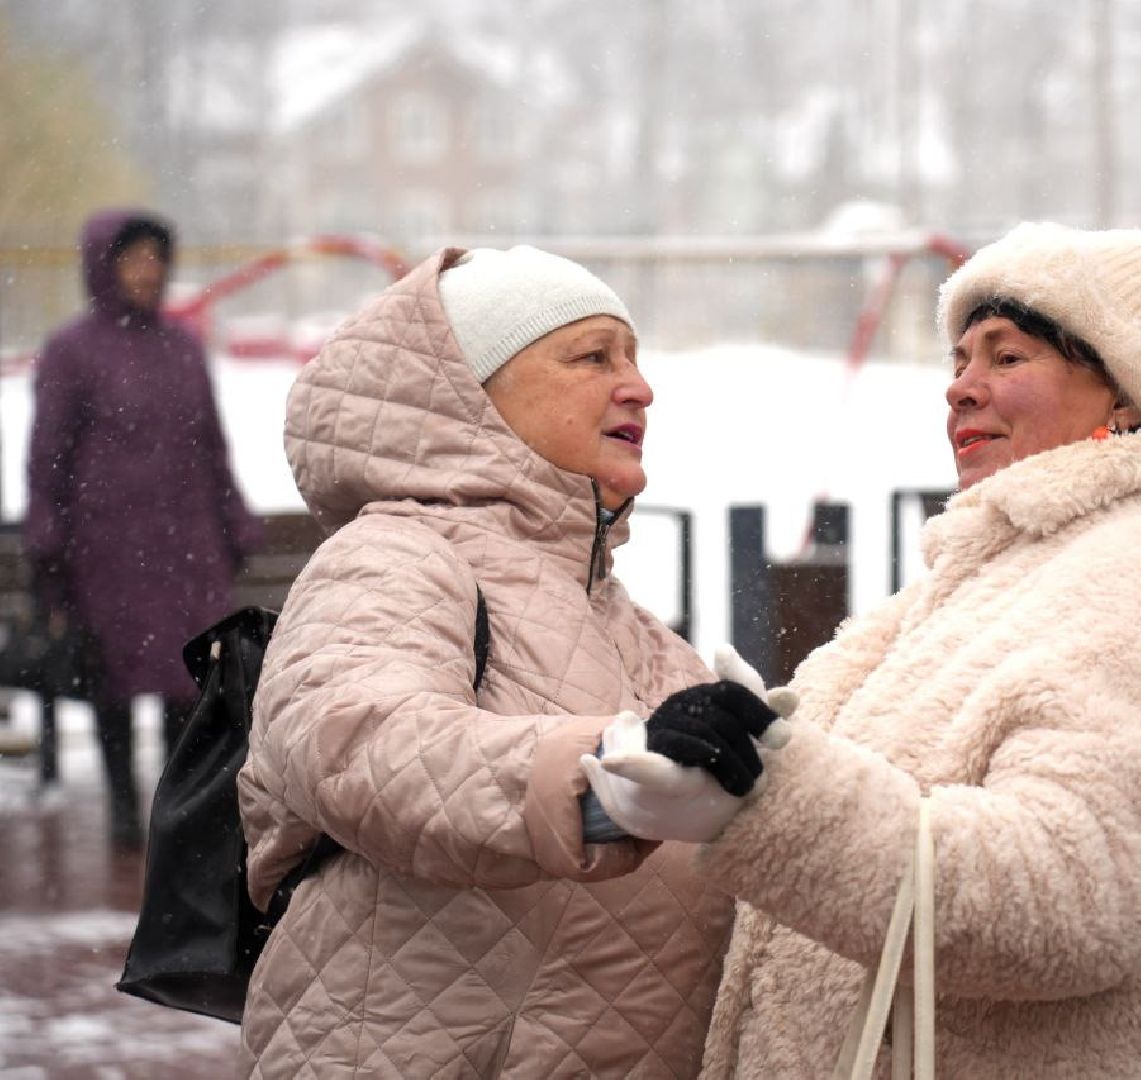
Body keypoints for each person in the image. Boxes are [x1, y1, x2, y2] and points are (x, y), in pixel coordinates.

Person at [588, 224, 1141, 1077]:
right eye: (960, 360)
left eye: (1006, 358)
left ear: (1128, 394)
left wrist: (765, 800)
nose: (962, 388)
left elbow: (1068, 898)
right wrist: (714, 776)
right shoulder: (1000, 573)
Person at [237, 246, 776, 1078]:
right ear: (469, 398)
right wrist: (600, 785)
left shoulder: (627, 623)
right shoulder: (396, 556)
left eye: (633, 358)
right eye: (592, 357)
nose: (638, 387)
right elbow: (353, 744)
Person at [25, 208, 262, 848]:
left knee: (186, 685)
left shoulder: (182, 348)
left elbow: (211, 446)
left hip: (186, 547)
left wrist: (234, 522)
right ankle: (126, 816)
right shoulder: (72, 352)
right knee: (114, 684)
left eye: (155, 258)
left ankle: (172, 812)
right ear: (103, 266)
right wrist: (48, 540)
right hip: (106, 553)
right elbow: (47, 457)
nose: (147, 271)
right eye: (132, 258)